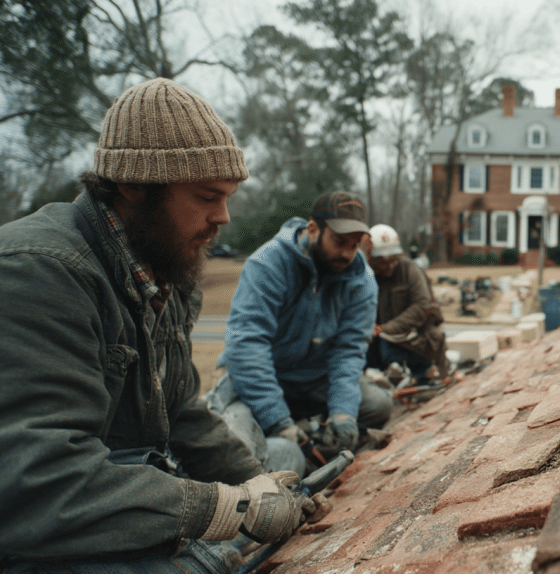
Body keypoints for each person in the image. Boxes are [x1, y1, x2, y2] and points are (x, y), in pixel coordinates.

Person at [0, 78, 328, 573]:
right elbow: (41, 481)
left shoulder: (163, 269)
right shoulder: (41, 272)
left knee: (279, 456)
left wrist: (256, 489)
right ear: (134, 185)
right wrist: (223, 508)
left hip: (125, 503)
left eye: (228, 196)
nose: (223, 217)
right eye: (206, 196)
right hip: (45, 539)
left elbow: (180, 412)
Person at [210, 190, 392, 477]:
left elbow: (348, 351)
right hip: (257, 381)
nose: (347, 253)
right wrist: (279, 421)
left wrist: (343, 414)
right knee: (235, 449)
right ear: (312, 229)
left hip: (312, 381)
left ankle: (310, 441)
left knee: (376, 404)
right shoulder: (268, 263)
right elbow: (246, 346)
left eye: (355, 245)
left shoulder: (362, 281)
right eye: (339, 241)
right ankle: (288, 440)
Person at [364, 224, 456, 385]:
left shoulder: (410, 270)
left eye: (393, 258)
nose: (389, 265)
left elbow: (421, 306)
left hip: (415, 338)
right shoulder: (368, 277)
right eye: (382, 261)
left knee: (391, 354)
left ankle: (418, 373)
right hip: (381, 340)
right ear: (371, 257)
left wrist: (386, 328)